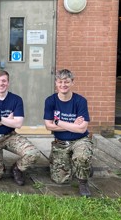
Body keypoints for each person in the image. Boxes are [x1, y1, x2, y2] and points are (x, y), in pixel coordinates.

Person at [0, 70, 40, 186]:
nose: (1, 83)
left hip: (10, 136)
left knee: (33, 153)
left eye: (4, 81)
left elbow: (18, 124)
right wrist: (8, 119)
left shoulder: (16, 99)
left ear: (8, 83)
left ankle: (17, 169)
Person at [44, 69, 93, 197]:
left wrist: (58, 122)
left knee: (81, 157)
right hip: (61, 143)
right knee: (60, 180)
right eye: (60, 82)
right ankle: (78, 165)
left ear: (72, 82)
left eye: (66, 82)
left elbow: (82, 129)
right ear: (56, 83)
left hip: (80, 140)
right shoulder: (50, 101)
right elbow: (48, 126)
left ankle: (83, 181)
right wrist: (72, 125)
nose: (63, 85)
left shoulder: (80, 101)